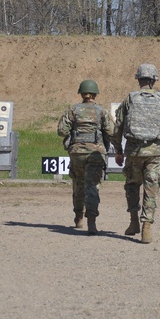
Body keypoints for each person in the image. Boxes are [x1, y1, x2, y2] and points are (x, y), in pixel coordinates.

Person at [113, 62, 160, 244]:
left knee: (132, 186)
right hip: (154, 153)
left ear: (138, 79)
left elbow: (118, 126)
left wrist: (118, 150)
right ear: (154, 80)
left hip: (133, 151)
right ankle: (146, 227)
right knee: (151, 189)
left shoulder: (130, 99)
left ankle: (133, 222)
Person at [57, 79, 116, 235]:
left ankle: (78, 217)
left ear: (81, 93)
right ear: (95, 94)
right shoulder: (102, 111)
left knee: (78, 185)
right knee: (93, 186)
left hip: (77, 152)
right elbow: (111, 132)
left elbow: (62, 131)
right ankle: (92, 221)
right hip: (95, 153)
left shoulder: (73, 110)